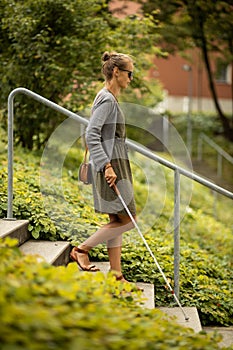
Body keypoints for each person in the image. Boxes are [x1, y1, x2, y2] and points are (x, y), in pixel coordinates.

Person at [70, 51, 136, 283]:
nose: (131, 78)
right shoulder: (107, 99)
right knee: (129, 219)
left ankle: (116, 275)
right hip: (111, 166)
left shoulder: (109, 98)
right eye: (129, 73)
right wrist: (107, 166)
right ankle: (81, 250)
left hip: (114, 164)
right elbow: (91, 133)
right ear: (116, 72)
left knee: (117, 220)